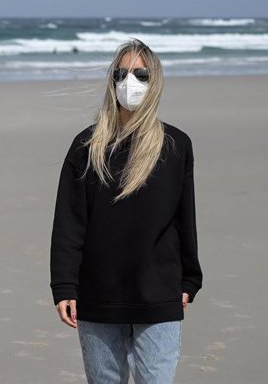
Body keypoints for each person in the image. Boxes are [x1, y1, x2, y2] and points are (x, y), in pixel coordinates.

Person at [50, 39, 202, 384]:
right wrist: (64, 286)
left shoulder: (176, 146)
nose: (128, 81)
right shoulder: (87, 146)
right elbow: (69, 223)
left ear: (155, 81)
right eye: (121, 72)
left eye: (140, 74)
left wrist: (190, 280)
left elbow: (184, 218)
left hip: (159, 294)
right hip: (98, 295)